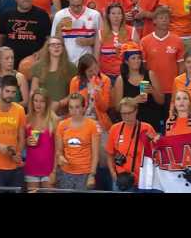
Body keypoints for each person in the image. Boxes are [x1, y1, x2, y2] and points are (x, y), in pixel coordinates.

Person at [69, 54, 112, 190]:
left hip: (100, 123)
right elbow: (73, 104)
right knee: (85, 157)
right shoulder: (75, 81)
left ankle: (105, 188)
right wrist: (87, 90)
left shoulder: (105, 80)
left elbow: (104, 107)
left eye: (95, 69)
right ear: (83, 72)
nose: (94, 73)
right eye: (90, 71)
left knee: (104, 159)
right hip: (81, 123)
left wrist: (97, 92)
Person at [140, 6, 185, 119]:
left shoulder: (177, 40)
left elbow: (181, 66)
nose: (164, 20)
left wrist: (179, 87)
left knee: (170, 123)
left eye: (167, 18)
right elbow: (142, 69)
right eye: (161, 18)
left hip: (171, 89)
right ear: (154, 20)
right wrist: (143, 91)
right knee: (153, 122)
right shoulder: (145, 41)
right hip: (153, 91)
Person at [105, 97, 156, 192]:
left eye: (129, 113)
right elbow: (109, 154)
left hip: (142, 180)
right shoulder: (114, 129)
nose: (126, 116)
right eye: (123, 114)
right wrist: (113, 174)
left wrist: (155, 140)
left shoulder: (146, 128)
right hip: (122, 179)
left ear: (136, 111)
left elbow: (156, 153)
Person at [113, 43, 164, 133]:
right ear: (126, 61)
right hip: (132, 122)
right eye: (133, 58)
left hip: (151, 120)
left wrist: (153, 91)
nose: (137, 61)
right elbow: (117, 107)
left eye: (139, 58)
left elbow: (161, 101)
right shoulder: (121, 80)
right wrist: (133, 101)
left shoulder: (150, 74)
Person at [0, 0, 51, 68]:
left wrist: (41, 52)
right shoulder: (6, 15)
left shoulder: (42, 15)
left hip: (33, 63)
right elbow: (0, 39)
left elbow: (49, 39)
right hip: (10, 63)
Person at [55, 93, 100, 190]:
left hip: (85, 174)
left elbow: (95, 154)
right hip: (66, 173)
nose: (74, 111)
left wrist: (92, 175)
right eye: (71, 107)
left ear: (84, 108)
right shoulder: (62, 125)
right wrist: (60, 157)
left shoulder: (92, 125)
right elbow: (59, 150)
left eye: (77, 107)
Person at [51, 0, 102, 65]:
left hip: (87, 64)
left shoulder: (95, 15)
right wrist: (58, 28)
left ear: (83, 0)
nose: (75, 9)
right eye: (73, 5)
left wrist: (90, 41)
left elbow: (100, 40)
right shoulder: (60, 15)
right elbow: (54, 42)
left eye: (78, 5)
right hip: (65, 63)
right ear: (68, 0)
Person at [30, 36, 78, 115]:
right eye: (53, 45)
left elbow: (75, 92)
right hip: (42, 112)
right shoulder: (38, 67)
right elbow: (33, 92)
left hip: (64, 113)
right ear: (48, 48)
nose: (56, 47)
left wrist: (60, 103)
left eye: (59, 45)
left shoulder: (71, 68)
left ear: (63, 48)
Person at [24, 88, 59, 191]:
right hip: (31, 168)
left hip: (49, 170)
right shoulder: (27, 119)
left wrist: (55, 171)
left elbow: (58, 149)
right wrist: (26, 142)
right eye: (36, 101)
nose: (38, 104)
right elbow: (20, 144)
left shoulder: (54, 120)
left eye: (42, 101)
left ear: (47, 103)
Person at [95, 3, 139, 84]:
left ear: (123, 16)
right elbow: (96, 58)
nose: (116, 16)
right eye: (113, 13)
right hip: (106, 77)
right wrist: (98, 77)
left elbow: (138, 56)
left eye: (119, 13)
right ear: (108, 16)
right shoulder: (101, 33)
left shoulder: (132, 31)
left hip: (127, 76)